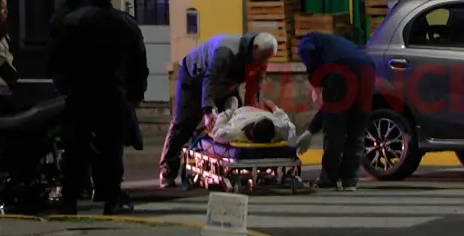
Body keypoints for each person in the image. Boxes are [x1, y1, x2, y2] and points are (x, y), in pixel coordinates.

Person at [50, 0, 148, 215]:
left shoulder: (70, 21)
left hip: (79, 94)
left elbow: (56, 60)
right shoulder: (126, 23)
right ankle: (111, 200)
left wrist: (63, 87)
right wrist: (136, 94)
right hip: (113, 95)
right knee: (111, 149)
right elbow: (139, 63)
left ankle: (69, 201)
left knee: (75, 150)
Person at [158, 32, 278, 188]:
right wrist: (208, 111)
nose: (265, 62)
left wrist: (249, 113)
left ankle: (232, 166)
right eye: (263, 58)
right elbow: (210, 80)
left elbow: (254, 87)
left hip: (226, 84)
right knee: (184, 123)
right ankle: (167, 170)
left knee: (236, 123)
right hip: (196, 78)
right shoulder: (226, 52)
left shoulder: (260, 56)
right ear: (254, 48)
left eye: (267, 59)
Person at [294, 32, 375, 191]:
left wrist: (315, 83)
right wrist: (311, 130)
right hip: (368, 69)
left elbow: (308, 51)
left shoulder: (307, 41)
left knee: (334, 129)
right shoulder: (336, 42)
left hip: (340, 70)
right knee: (357, 129)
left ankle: (328, 178)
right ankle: (350, 180)